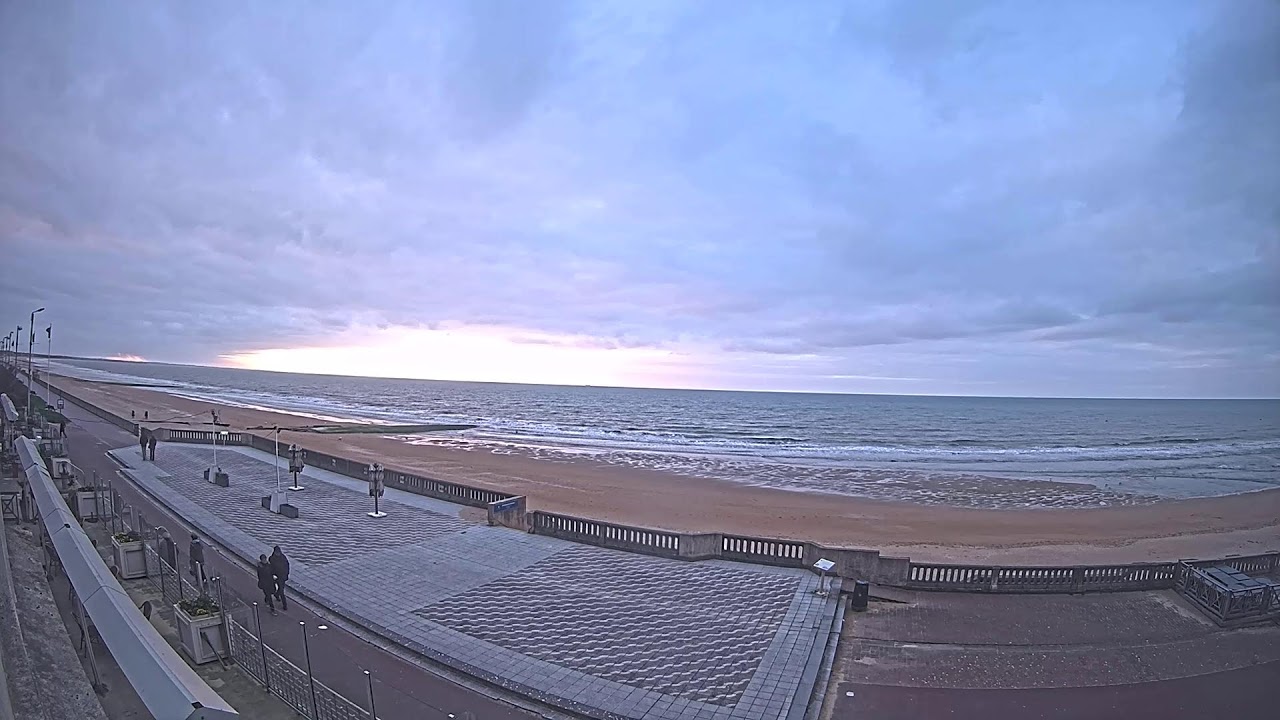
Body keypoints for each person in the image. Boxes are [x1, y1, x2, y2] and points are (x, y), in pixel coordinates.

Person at [268, 546, 290, 611]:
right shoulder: (271, 559)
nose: (278, 553)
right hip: (276, 576)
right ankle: (284, 604)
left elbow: (287, 565)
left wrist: (286, 574)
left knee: (281, 589)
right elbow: (271, 568)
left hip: (282, 576)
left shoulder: (283, 557)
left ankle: (277, 596)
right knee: (280, 590)